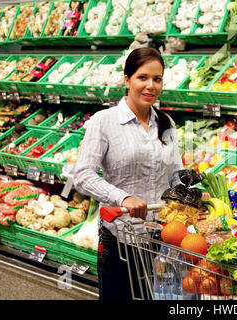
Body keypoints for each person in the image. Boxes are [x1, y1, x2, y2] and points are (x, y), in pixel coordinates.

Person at [73, 47, 183, 300]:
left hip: (159, 234)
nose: (150, 86)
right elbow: (83, 174)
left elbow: (175, 174)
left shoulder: (166, 123)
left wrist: (195, 195)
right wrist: (123, 198)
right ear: (127, 80)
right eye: (142, 77)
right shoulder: (104, 121)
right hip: (120, 237)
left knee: (147, 296)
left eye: (157, 79)